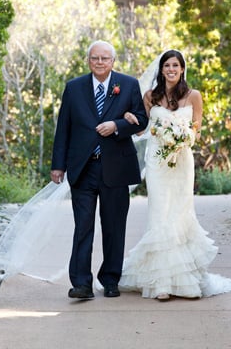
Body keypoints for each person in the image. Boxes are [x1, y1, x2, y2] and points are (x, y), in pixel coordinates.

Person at [118, 49, 231, 301]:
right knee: (160, 214)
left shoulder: (193, 96)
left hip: (182, 161)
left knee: (180, 213)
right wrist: (130, 117)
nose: (171, 69)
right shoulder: (150, 96)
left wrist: (182, 137)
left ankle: (185, 280)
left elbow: (197, 129)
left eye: (175, 65)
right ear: (161, 70)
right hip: (157, 163)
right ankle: (161, 282)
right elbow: (142, 130)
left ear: (182, 69)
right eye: (167, 66)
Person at [50, 40, 148, 300]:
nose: (100, 62)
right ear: (88, 61)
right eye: (95, 58)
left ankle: (111, 279)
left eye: (105, 58)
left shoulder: (128, 84)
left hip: (116, 167)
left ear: (113, 61)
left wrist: (117, 125)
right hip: (83, 168)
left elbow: (141, 119)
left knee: (114, 227)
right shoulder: (73, 88)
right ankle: (81, 283)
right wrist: (58, 165)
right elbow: (64, 128)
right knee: (83, 227)